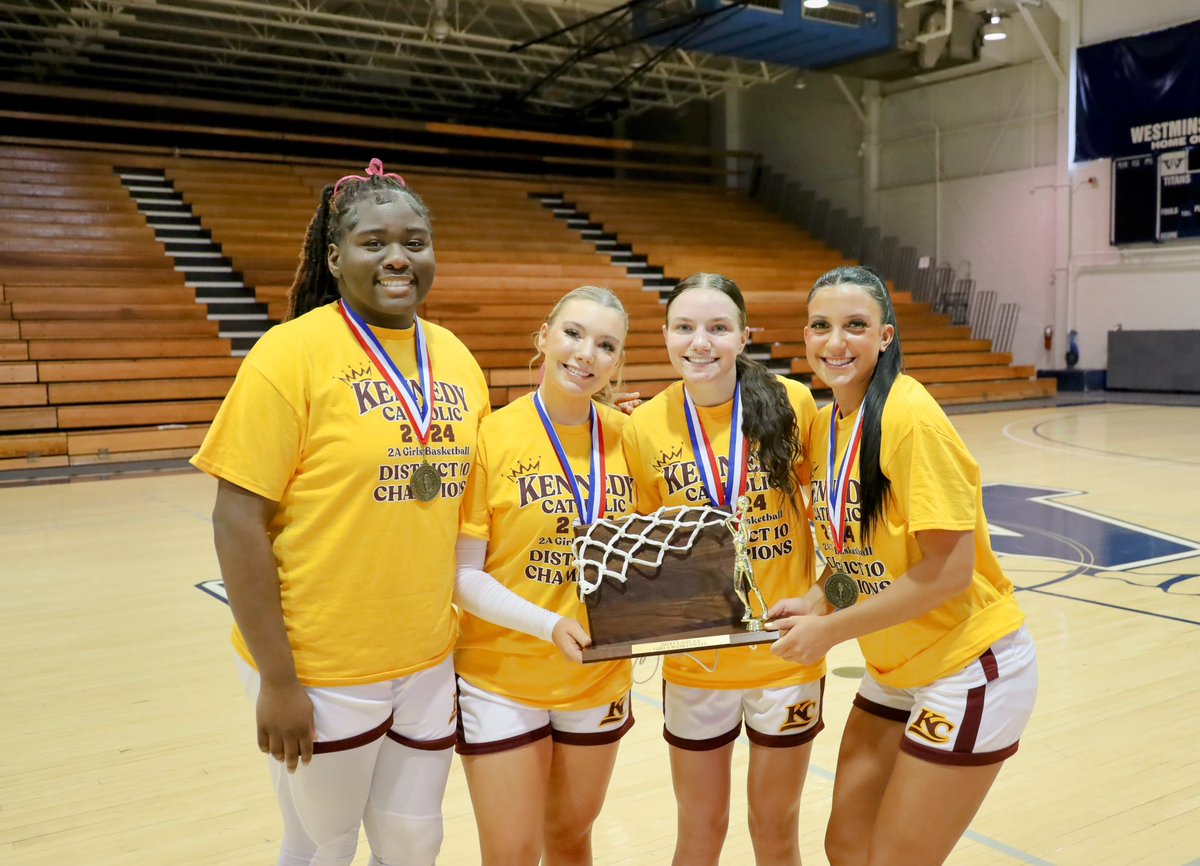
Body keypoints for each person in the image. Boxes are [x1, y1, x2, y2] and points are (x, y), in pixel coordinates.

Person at [191, 159, 491, 866]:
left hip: (426, 659)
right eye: (374, 241)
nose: (397, 257)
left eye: (415, 242)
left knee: (416, 841)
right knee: (323, 845)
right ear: (335, 255)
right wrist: (279, 678)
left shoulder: (454, 356)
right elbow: (235, 520)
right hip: (319, 667)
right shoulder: (286, 355)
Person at [768, 265, 1038, 866]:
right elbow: (856, 554)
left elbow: (947, 572)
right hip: (895, 663)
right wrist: (819, 599)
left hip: (968, 667)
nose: (836, 342)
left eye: (855, 326)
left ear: (885, 337)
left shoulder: (910, 417)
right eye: (821, 326)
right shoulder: (826, 423)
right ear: (806, 336)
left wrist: (828, 631)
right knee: (847, 846)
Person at [621, 273, 823, 866]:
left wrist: (825, 596)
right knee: (701, 828)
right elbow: (642, 547)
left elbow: (840, 520)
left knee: (775, 826)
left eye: (717, 328)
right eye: (684, 328)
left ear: (743, 335)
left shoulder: (793, 403)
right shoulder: (643, 425)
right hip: (697, 657)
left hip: (785, 652)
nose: (700, 342)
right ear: (665, 336)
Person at [454, 285, 637, 866]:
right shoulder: (491, 436)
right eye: (574, 334)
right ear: (544, 336)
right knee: (511, 853)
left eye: (606, 345)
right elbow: (461, 575)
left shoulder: (631, 437)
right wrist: (547, 624)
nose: (587, 353)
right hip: (502, 676)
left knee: (569, 838)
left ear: (618, 362)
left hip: (599, 677)